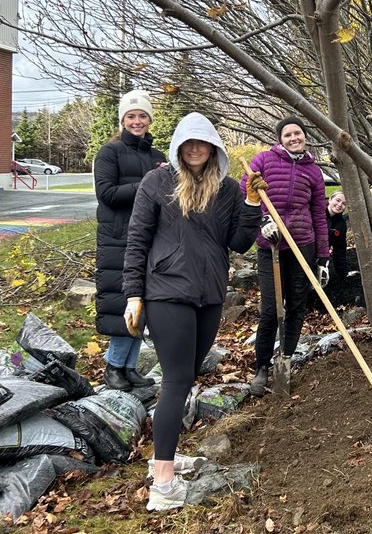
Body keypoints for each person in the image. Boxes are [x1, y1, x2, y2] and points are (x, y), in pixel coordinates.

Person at [123, 113, 261, 511]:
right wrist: (134, 295)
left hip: (210, 294)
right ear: (179, 145)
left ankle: (164, 454)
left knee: (188, 373)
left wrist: (252, 203)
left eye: (203, 142)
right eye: (189, 142)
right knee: (178, 380)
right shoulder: (158, 182)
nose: (196, 148)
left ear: (215, 148)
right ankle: (163, 483)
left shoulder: (229, 189)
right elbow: (137, 240)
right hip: (167, 292)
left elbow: (239, 244)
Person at [243, 117, 330, 393]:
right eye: (288, 134)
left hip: (301, 245)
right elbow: (247, 194)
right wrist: (261, 221)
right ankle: (261, 367)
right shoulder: (264, 161)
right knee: (270, 310)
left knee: (296, 305)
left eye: (298, 133)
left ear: (305, 136)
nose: (294, 138)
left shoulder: (314, 172)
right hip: (271, 246)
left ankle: (288, 358)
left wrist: (323, 255)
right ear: (280, 138)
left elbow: (319, 214)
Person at [93, 90, 165, 392]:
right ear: (123, 119)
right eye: (131, 116)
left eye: (143, 116)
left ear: (150, 120)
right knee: (125, 302)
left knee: (144, 302)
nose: (137, 121)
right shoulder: (109, 152)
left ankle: (129, 367)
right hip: (118, 237)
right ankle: (113, 366)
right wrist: (150, 182)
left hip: (152, 236)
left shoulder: (158, 156)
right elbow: (106, 194)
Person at [326, 191, 349, 286]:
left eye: (344, 204)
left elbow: (339, 249)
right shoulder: (317, 213)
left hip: (321, 257)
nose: (340, 205)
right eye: (338, 200)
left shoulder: (341, 224)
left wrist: (343, 275)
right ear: (330, 199)